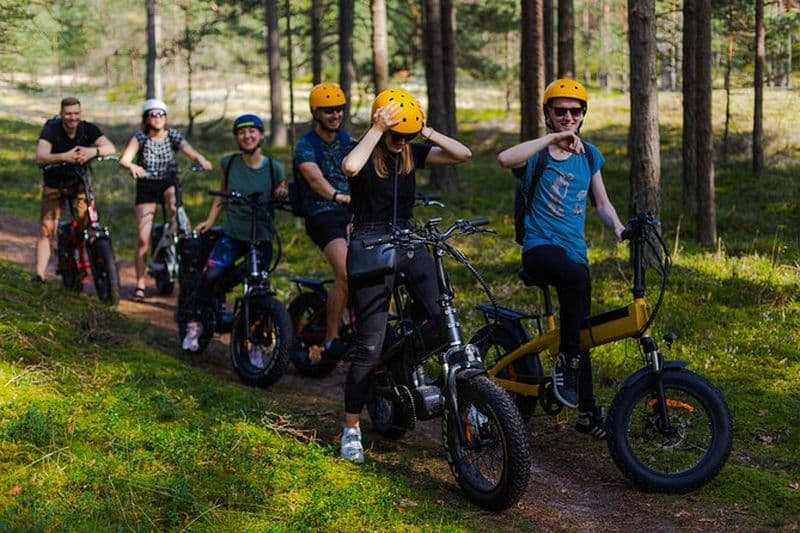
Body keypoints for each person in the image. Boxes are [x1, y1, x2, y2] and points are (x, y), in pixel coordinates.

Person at [339, 88, 472, 463]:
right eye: (398, 136)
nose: (401, 143)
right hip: (370, 244)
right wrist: (378, 129)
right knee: (369, 347)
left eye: (406, 137)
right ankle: (351, 429)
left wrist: (425, 131)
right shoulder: (366, 149)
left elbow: (463, 154)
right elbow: (350, 167)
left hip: (407, 241)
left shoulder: (412, 149)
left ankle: (404, 360)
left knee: (443, 318)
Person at [497, 78, 625, 439]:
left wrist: (618, 227)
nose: (569, 117)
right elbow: (504, 159)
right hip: (539, 248)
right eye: (561, 111)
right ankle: (566, 365)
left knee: (578, 331)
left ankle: (587, 412)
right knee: (576, 292)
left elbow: (602, 203)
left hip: (574, 252)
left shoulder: (589, 155)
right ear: (548, 114)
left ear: (583, 114)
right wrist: (552, 139)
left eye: (575, 111)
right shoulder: (538, 153)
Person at [181, 114, 287, 353]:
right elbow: (222, 195)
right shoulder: (228, 163)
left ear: (261, 135)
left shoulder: (274, 168)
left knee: (258, 288)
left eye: (252, 131)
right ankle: (195, 323)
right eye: (241, 132)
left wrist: (282, 194)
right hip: (233, 235)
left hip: (261, 238)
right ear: (236, 138)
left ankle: (255, 343)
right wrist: (210, 221)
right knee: (211, 274)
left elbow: (281, 193)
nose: (247, 136)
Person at [119, 99, 212, 302]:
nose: (158, 118)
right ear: (146, 118)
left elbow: (190, 151)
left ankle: (183, 239)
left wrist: (201, 160)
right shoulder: (140, 137)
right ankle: (140, 284)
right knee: (143, 238)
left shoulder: (172, 135)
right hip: (146, 185)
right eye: (153, 114)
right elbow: (124, 160)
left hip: (168, 182)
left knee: (175, 206)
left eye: (161, 114)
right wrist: (133, 167)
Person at [294, 82, 352, 361]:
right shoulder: (305, 145)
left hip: (351, 212)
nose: (335, 115)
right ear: (316, 113)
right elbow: (315, 179)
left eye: (339, 109)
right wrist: (338, 196)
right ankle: (331, 338)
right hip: (322, 214)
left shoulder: (346, 140)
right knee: (345, 272)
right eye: (329, 111)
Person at [33, 96, 116, 283]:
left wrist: (92, 152)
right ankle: (39, 275)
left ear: (81, 113)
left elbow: (110, 147)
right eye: (68, 114)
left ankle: (80, 251)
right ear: (61, 114)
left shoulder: (88, 128)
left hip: (79, 183)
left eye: (76, 113)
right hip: (54, 184)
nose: (73, 117)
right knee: (47, 229)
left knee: (87, 221)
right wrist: (66, 156)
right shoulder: (51, 129)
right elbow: (41, 156)